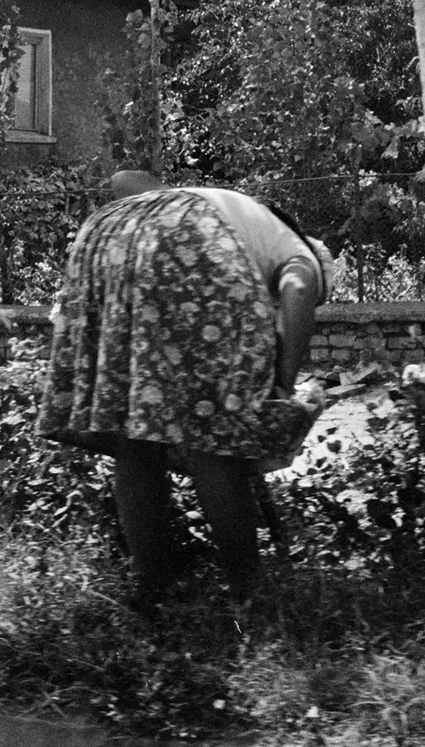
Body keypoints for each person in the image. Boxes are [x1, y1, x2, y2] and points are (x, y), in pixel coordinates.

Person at [36, 171, 333, 604]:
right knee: (212, 435)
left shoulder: (230, 209)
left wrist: (170, 197)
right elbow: (300, 289)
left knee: (136, 435)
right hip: (187, 237)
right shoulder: (297, 250)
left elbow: (123, 180)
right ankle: (247, 593)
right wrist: (283, 385)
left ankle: (154, 586)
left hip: (106, 236)